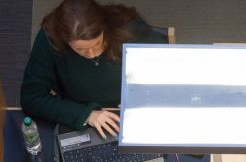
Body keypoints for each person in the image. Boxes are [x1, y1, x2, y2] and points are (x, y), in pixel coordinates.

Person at [21, 0, 166, 136]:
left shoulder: (126, 25)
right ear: (64, 40)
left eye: (97, 43)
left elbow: (167, 58)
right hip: (85, 111)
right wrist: (85, 114)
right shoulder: (49, 39)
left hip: (135, 105)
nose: (91, 54)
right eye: (79, 49)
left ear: (104, 28)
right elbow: (31, 97)